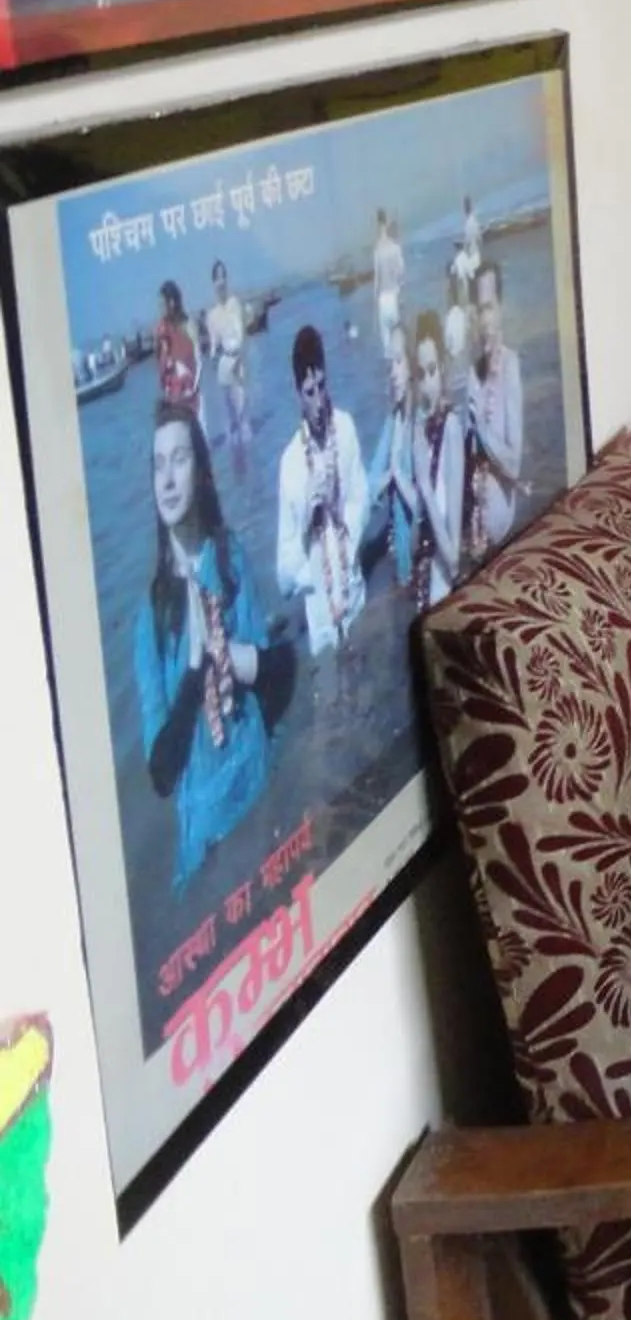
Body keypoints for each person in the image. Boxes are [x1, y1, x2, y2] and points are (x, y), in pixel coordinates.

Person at [139, 405, 292, 889]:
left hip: (257, 784)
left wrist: (239, 659)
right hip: (209, 837)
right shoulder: (153, 618)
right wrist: (191, 672)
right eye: (158, 464)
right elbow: (161, 775)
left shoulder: (230, 559)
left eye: (179, 459)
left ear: (202, 474)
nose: (166, 479)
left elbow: (276, 684)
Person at [272, 324, 367, 658]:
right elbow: (283, 580)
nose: (318, 401)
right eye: (309, 392)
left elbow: (361, 502)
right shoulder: (290, 464)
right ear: (297, 392)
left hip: (356, 600)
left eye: (322, 387)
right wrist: (305, 524)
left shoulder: (346, 429)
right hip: (321, 625)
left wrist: (338, 513)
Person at [459, 259, 523, 571]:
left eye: (489, 307)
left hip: (505, 548)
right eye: (478, 310)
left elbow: (514, 463)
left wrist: (482, 429)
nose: (484, 320)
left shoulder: (510, 366)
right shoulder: (472, 374)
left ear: (501, 309)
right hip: (477, 544)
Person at [357, 318, 422, 594]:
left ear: (411, 366)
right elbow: (368, 489)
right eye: (389, 366)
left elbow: (428, 506)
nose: (392, 373)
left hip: (422, 569)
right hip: (403, 572)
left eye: (398, 362)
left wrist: (398, 475)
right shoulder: (391, 423)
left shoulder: (419, 424)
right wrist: (386, 480)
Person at [409, 309, 461, 606]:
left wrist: (425, 488)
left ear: (442, 368)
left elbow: (454, 560)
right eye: (420, 374)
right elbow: (420, 518)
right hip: (425, 584)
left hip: (444, 592)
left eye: (432, 371)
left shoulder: (451, 428)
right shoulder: (423, 430)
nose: (427, 384)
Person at [201, 261, 249, 461]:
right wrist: (212, 359)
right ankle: (236, 468)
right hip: (223, 367)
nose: (221, 282)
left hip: (237, 362)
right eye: (217, 278)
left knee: (244, 419)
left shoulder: (235, 304)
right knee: (230, 425)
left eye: (223, 276)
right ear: (213, 282)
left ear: (227, 279)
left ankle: (252, 474)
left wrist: (237, 356)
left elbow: (241, 336)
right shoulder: (211, 316)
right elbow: (213, 345)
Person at [154, 281, 198, 412]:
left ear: (171, 303)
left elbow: (198, 360)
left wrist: (193, 389)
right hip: (173, 395)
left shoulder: (188, 326)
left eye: (162, 304)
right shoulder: (161, 331)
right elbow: (161, 365)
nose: (159, 308)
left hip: (191, 393)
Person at [369, 210, 404, 343]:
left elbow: (377, 278)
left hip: (383, 297)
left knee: (386, 340)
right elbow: (401, 271)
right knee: (397, 336)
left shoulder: (377, 249)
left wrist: (375, 297)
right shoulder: (395, 248)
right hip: (394, 293)